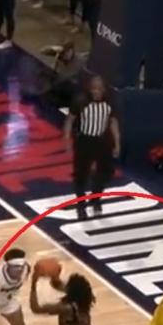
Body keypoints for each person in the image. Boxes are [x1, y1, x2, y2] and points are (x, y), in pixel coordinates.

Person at [64, 75, 119, 220]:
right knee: (80, 175)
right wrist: (67, 140)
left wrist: (117, 143)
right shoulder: (81, 101)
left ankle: (96, 199)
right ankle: (81, 205)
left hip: (102, 141)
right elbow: (70, 120)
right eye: (93, 89)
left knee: (105, 172)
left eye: (98, 89)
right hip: (84, 141)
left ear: (103, 90)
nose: (95, 92)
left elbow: (113, 122)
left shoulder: (110, 102)